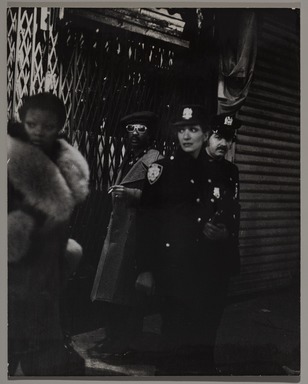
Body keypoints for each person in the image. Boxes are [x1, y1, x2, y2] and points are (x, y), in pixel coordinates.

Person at [135, 106, 241, 375]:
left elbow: (229, 211)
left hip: (211, 265)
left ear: (205, 135)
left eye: (193, 129)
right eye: (181, 129)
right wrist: (145, 268)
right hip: (176, 267)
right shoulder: (162, 169)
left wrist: (225, 235)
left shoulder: (219, 170)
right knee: (174, 334)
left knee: (207, 330)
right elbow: (147, 223)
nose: (186, 135)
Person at [8, 92, 90, 376]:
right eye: (32, 124)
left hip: (45, 270)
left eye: (47, 126)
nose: (39, 132)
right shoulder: (10, 159)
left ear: (59, 128)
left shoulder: (64, 165)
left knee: (40, 353)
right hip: (13, 269)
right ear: (22, 121)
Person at [90, 111, 163, 357]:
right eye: (131, 128)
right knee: (112, 290)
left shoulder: (155, 161)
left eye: (141, 128)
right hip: (119, 231)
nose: (134, 133)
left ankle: (124, 344)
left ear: (151, 134)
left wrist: (131, 195)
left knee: (127, 294)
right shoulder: (130, 158)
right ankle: (113, 338)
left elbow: (161, 201)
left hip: (136, 233)